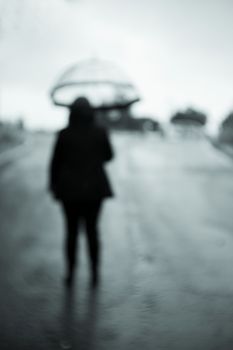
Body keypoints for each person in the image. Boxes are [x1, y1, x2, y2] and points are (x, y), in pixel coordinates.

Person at [49, 97, 114, 287]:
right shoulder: (100, 132)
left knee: (71, 232)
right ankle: (95, 273)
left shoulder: (64, 134)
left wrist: (53, 186)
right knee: (92, 231)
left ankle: (70, 273)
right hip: (94, 190)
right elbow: (109, 156)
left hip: (69, 192)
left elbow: (55, 163)